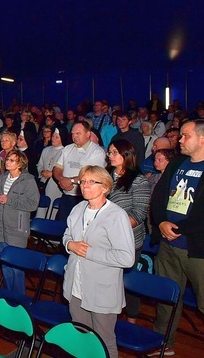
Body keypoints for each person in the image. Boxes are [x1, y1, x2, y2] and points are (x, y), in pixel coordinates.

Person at [62, 165, 135, 358]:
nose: (85, 185)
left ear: (105, 187)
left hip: (102, 289)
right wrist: (70, 245)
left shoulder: (116, 215)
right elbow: (67, 235)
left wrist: (89, 252)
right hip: (76, 286)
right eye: (83, 181)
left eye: (92, 182)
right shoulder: (78, 209)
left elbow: (127, 258)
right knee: (81, 336)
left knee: (104, 340)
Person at [148, 119, 204, 356]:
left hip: (197, 247)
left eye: (185, 136)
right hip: (168, 243)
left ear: (202, 139)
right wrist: (161, 222)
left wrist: (178, 229)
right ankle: (164, 342)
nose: (179, 140)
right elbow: (159, 196)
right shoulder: (177, 163)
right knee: (167, 297)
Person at [106, 139, 151, 324]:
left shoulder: (138, 180)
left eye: (115, 152)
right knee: (109, 281)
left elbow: (138, 213)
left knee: (128, 283)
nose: (110, 155)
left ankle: (131, 321)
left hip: (128, 240)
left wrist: (114, 229)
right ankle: (108, 317)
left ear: (127, 155)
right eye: (109, 152)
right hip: (106, 239)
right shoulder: (106, 175)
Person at [0, 149, 40, 295]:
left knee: (16, 267)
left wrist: (10, 200)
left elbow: (33, 204)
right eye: (7, 159)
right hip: (2, 226)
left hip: (17, 228)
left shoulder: (28, 180)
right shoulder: (4, 177)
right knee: (6, 265)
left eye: (12, 160)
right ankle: (9, 295)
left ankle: (20, 299)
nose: (7, 162)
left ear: (20, 164)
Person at [52, 121, 107, 222]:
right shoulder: (67, 149)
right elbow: (57, 168)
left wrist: (71, 181)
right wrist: (62, 180)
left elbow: (93, 175)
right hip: (66, 196)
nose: (74, 136)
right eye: (73, 134)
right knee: (63, 228)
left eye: (78, 133)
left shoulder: (96, 152)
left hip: (84, 198)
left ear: (88, 134)